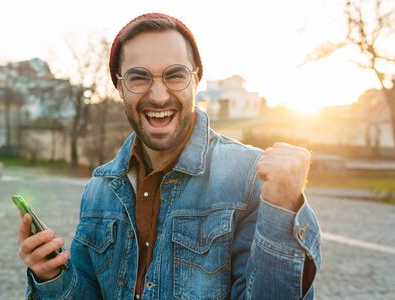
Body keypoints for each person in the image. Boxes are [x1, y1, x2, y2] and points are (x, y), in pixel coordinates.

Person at [18, 13, 321, 299]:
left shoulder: (250, 177)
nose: (159, 96)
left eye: (175, 76)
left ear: (196, 80)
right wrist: (50, 277)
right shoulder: (99, 187)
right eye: (139, 78)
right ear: (119, 87)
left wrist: (284, 207)